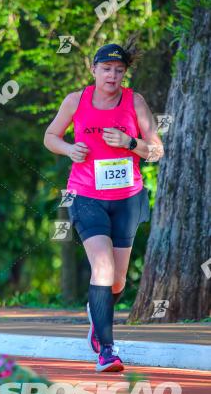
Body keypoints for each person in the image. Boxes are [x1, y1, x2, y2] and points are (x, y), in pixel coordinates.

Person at [44, 43, 164, 371]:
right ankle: (106, 349)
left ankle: (97, 315)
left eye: (119, 70)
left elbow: (157, 151)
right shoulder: (76, 100)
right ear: (94, 70)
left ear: (124, 74)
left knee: (118, 281)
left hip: (127, 199)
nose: (112, 75)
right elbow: (50, 136)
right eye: (106, 69)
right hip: (86, 196)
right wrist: (69, 149)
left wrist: (129, 143)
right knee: (103, 268)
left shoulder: (134, 101)